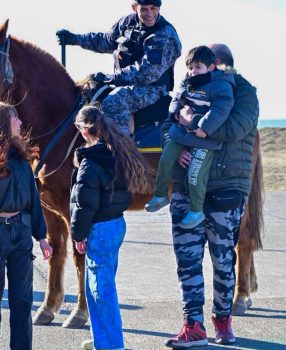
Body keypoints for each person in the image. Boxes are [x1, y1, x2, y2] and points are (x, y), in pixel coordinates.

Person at [161, 44, 259, 348]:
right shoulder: (188, 85)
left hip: (226, 187)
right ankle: (193, 325)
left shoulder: (244, 93)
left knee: (222, 259)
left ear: (222, 65)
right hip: (186, 188)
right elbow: (167, 125)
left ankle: (222, 320)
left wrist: (191, 125)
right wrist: (178, 151)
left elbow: (234, 128)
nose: (204, 69)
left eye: (212, 64)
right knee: (187, 260)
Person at [0, 102, 53, 350]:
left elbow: (32, 202)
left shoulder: (22, 160)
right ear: (3, 123)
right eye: (15, 119)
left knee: (23, 300)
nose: (20, 123)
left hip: (22, 233)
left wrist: (42, 236)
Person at [69, 106, 151, 350]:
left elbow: (84, 204)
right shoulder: (116, 153)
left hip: (99, 229)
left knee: (101, 292)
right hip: (116, 224)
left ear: (84, 132)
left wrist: (78, 234)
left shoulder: (89, 163)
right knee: (98, 288)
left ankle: (111, 345)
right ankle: (102, 339)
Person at [56, 0, 181, 134]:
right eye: (144, 9)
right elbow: (106, 41)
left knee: (115, 101)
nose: (149, 13)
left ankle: (120, 149)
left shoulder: (165, 34)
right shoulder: (128, 23)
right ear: (134, 7)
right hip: (124, 83)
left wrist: (111, 78)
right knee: (87, 92)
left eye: (154, 8)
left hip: (152, 89)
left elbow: (148, 72)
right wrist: (75, 39)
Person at [145, 46, 235, 229]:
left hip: (204, 139)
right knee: (166, 160)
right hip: (180, 133)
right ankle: (161, 195)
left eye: (198, 67)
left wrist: (204, 127)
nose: (193, 71)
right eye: (190, 67)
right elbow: (176, 100)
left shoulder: (221, 85)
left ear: (211, 67)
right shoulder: (187, 82)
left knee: (195, 173)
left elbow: (221, 108)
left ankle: (196, 211)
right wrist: (175, 115)